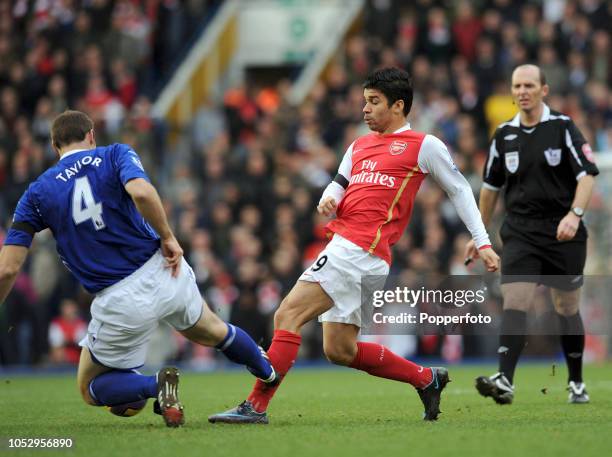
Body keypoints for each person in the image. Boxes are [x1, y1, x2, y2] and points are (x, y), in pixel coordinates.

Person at [209, 67, 500, 425]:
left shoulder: (424, 145)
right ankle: (427, 378)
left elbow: (458, 190)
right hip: (358, 254)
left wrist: (482, 240)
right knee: (339, 349)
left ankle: (255, 405)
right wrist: (328, 199)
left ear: (398, 106)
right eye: (364, 101)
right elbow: (338, 183)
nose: (365, 109)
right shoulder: (358, 145)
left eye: (374, 102)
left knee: (287, 315)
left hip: (358, 250)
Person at [0, 110, 277, 427]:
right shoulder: (115, 153)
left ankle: (156, 386)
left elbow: (8, 269)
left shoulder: (36, 193)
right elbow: (142, 192)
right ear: (91, 135)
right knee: (212, 329)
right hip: (164, 267)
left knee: (90, 386)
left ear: (54, 146)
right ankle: (268, 371)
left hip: (120, 297)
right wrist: (168, 236)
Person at [465, 64, 599, 405]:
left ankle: (576, 382)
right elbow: (491, 188)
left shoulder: (563, 128)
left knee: (566, 306)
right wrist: (479, 233)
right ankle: (505, 380)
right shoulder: (503, 135)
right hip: (521, 232)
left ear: (544, 90)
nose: (522, 91)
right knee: (516, 298)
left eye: (529, 85)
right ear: (511, 92)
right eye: (517, 85)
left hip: (563, 231)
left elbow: (586, 176)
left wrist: (575, 214)